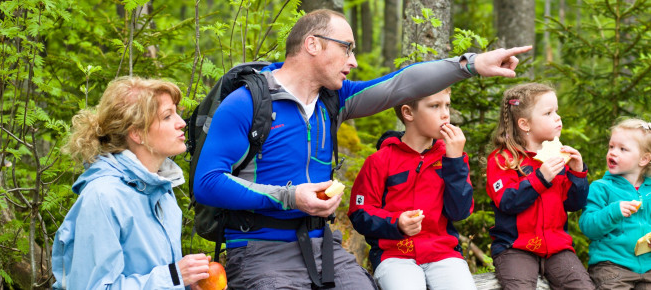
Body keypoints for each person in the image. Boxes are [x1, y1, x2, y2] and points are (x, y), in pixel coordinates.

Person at [192, 8, 532, 289]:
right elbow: (207, 183)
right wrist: (290, 197)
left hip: (321, 246)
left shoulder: (334, 100)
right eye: (346, 48)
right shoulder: (247, 103)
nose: (353, 60)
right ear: (312, 44)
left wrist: (469, 65)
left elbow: (400, 85)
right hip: (259, 250)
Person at [52, 77, 211, 289]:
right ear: (137, 133)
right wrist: (174, 276)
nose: (181, 122)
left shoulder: (161, 191)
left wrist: (187, 284)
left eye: (176, 112)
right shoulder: (103, 196)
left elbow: (152, 276)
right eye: (167, 116)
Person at [347, 88, 476, 290]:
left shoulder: (452, 157)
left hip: (443, 253)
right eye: (435, 106)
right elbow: (359, 214)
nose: (445, 114)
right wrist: (396, 223)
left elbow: (460, 212)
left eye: (447, 105)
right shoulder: (379, 161)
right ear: (408, 113)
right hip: (394, 255)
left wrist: (455, 161)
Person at [485, 83, 594, 289]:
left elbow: (573, 204)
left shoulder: (557, 155)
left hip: (557, 248)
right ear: (525, 124)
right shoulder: (502, 160)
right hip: (515, 248)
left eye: (557, 111)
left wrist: (578, 173)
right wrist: (540, 178)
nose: (557, 117)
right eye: (548, 113)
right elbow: (507, 202)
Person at [579, 118, 651, 289]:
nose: (613, 152)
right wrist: (614, 211)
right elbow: (588, 226)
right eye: (611, 147)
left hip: (648, 269)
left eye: (623, 149)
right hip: (610, 266)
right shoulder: (601, 188)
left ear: (643, 159)